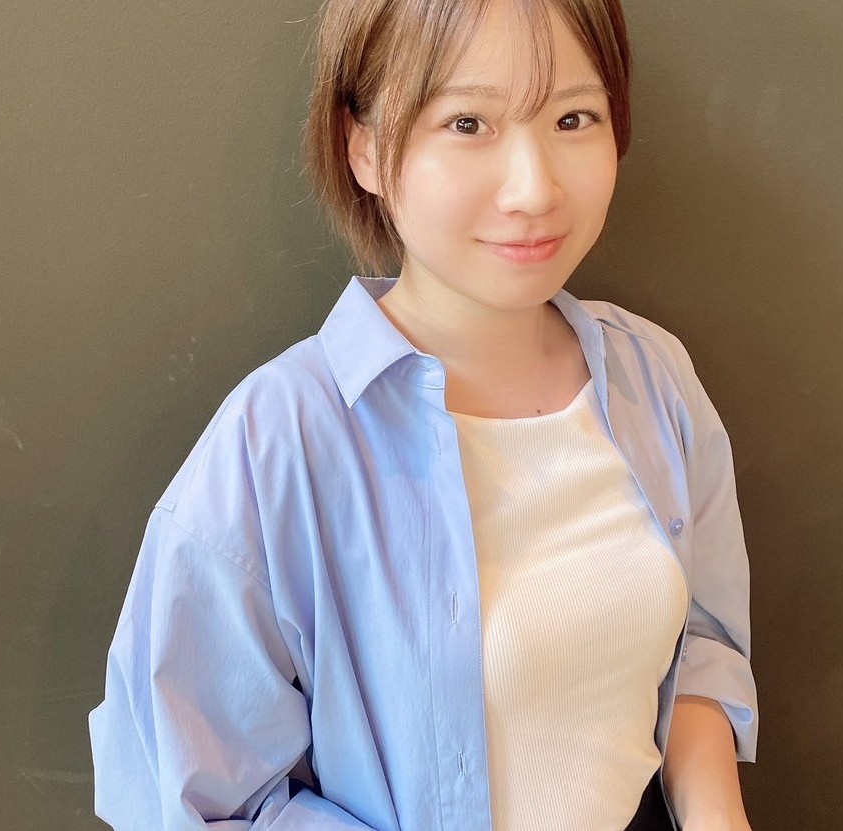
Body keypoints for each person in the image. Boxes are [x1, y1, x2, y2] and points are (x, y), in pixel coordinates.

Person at [88, 0, 758, 829]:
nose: (534, 188)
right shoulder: (278, 441)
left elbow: (700, 646)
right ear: (363, 146)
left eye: (572, 118)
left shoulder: (652, 376)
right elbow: (192, 802)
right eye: (467, 123)